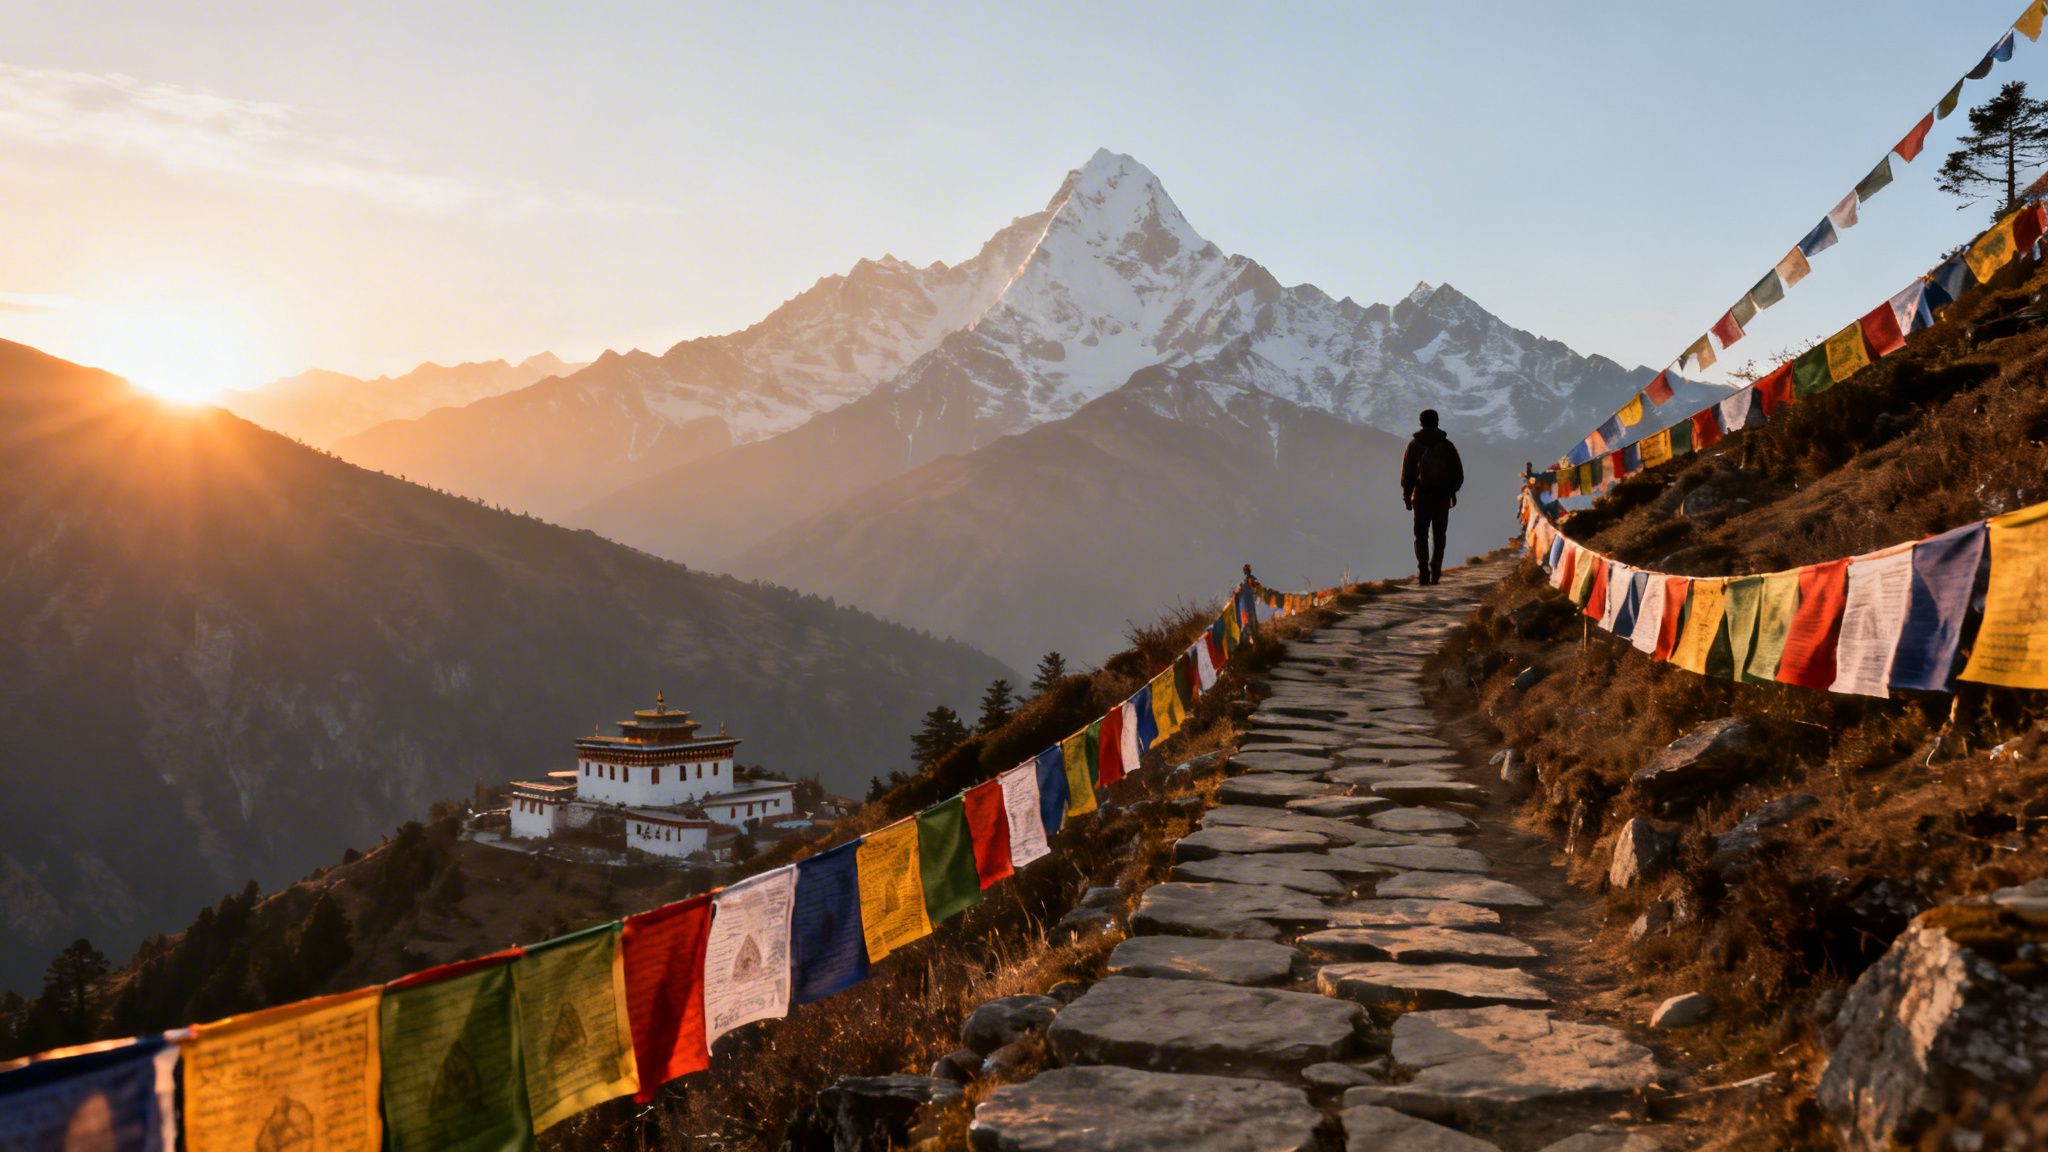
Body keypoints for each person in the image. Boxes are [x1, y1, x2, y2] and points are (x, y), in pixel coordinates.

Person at [1400, 409, 1463, 585]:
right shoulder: (1447, 446)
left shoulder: (1414, 446)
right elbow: (1458, 474)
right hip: (1442, 497)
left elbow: (1407, 474)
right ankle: (1436, 569)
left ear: (1421, 422)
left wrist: (1407, 496)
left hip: (1420, 497)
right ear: (1437, 421)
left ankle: (1423, 571)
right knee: (1439, 535)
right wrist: (1451, 491)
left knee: (1420, 535)